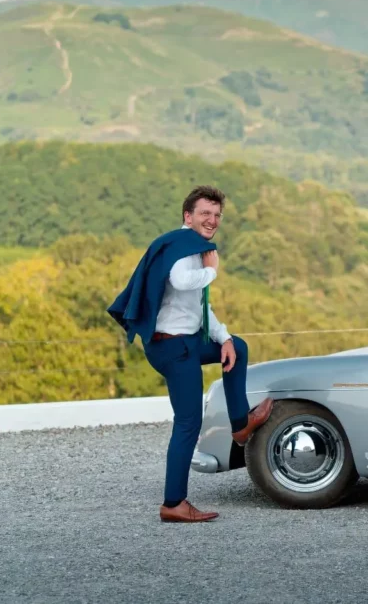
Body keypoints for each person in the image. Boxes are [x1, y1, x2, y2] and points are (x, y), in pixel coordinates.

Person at [108, 185, 273, 523]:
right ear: (188, 216)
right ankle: (174, 503)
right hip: (174, 347)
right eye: (204, 214)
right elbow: (183, 281)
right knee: (188, 422)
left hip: (183, 339)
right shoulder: (185, 250)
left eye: (216, 215)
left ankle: (240, 426)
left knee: (237, 348)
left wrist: (223, 338)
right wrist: (212, 270)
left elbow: (198, 307)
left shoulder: (187, 246)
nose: (212, 220)